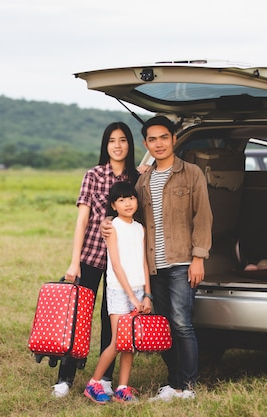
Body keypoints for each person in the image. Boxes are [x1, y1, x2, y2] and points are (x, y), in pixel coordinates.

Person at [102, 115, 213, 401]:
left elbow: (203, 216)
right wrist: (108, 223)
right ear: (146, 144)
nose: (159, 143)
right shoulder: (143, 180)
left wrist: (199, 257)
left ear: (174, 139)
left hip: (180, 263)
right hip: (152, 267)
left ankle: (187, 386)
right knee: (162, 326)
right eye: (152, 139)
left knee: (182, 323)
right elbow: (129, 215)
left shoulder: (191, 173)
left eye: (164, 137)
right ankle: (172, 382)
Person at [51, 122, 139, 398]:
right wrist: (74, 261)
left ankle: (105, 380)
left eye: (123, 140)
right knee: (78, 317)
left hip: (120, 262)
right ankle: (65, 377)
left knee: (111, 318)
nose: (117, 145)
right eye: (111, 140)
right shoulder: (93, 175)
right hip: (91, 253)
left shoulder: (137, 177)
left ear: (129, 145)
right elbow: (82, 220)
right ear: (105, 145)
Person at [84, 181, 152, 404]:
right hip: (118, 291)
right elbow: (115, 264)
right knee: (117, 341)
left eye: (131, 198)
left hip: (138, 289)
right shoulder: (113, 227)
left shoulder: (139, 228)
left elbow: (143, 262)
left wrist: (146, 295)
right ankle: (94, 384)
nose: (127, 203)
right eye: (121, 200)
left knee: (129, 342)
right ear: (113, 205)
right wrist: (131, 296)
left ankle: (123, 388)